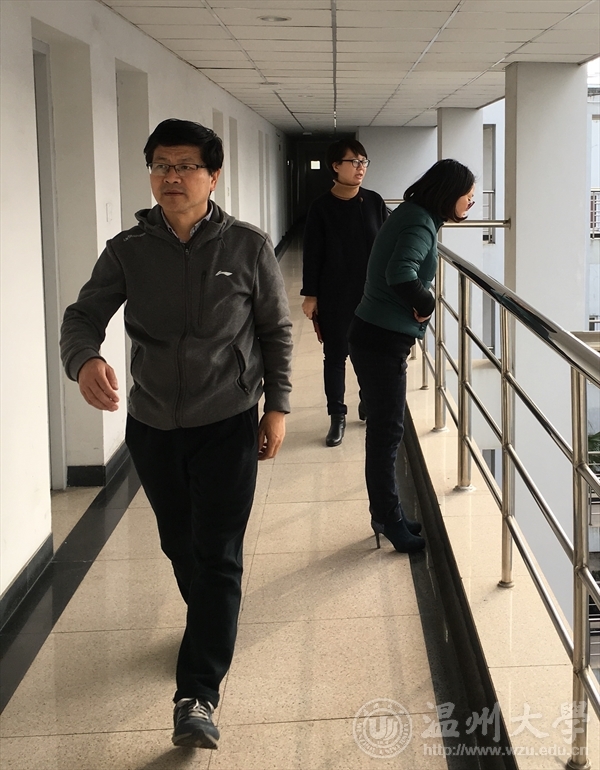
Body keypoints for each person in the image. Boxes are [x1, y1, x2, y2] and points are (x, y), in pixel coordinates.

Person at [60, 119, 293, 750]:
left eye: (186, 165)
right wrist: (85, 360)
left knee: (217, 551)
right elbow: (81, 316)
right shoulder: (128, 250)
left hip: (228, 421)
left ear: (213, 176)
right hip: (154, 424)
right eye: (161, 165)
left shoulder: (246, 246)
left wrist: (277, 407)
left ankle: (198, 693)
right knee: (180, 544)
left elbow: (275, 330)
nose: (172, 177)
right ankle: (209, 624)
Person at [348, 159, 475, 553]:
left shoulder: (416, 213)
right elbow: (401, 273)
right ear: (449, 195)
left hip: (375, 334)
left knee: (386, 431)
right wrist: (427, 304)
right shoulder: (420, 222)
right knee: (386, 434)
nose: (470, 203)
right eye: (468, 197)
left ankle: (391, 514)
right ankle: (387, 518)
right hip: (381, 340)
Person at [300, 138, 388, 447]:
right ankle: (337, 415)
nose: (361, 168)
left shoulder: (374, 202)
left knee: (369, 353)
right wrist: (311, 296)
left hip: (372, 296)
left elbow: (387, 246)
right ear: (336, 166)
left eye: (364, 162)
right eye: (354, 162)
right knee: (335, 356)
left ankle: (366, 399)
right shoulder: (321, 207)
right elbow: (312, 254)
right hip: (335, 295)